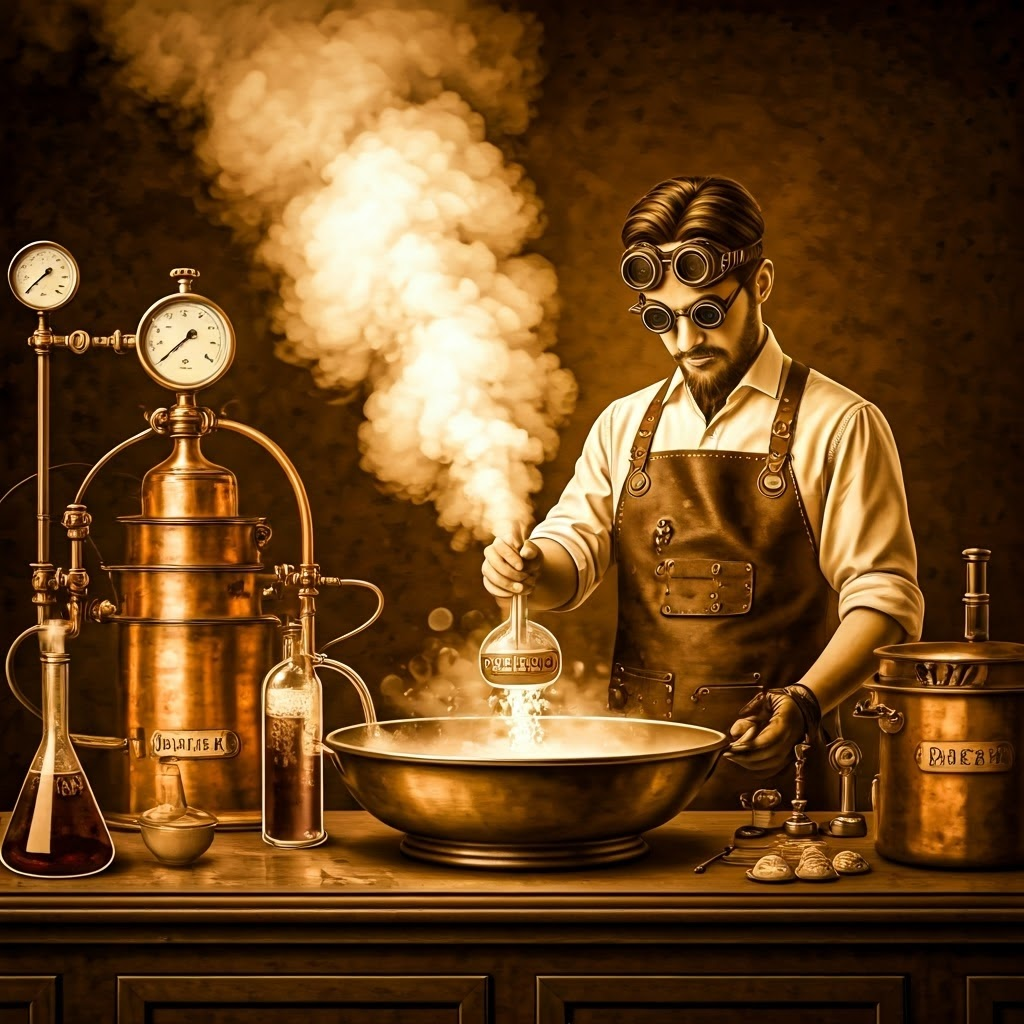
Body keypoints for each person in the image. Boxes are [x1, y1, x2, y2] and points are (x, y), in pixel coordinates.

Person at [481, 175, 924, 810]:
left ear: (761, 283)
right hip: (636, 784)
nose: (687, 342)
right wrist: (527, 569)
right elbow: (567, 563)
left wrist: (803, 703)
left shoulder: (841, 423)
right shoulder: (623, 424)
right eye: (665, 320)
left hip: (785, 778)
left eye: (708, 312)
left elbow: (886, 601)